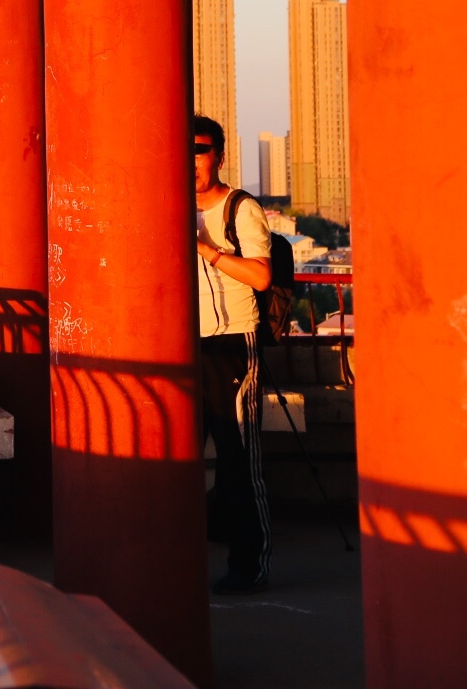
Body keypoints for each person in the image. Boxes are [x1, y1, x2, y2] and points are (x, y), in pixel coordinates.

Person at [193, 114, 274, 594]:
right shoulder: (171, 204)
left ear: (219, 156)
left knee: (240, 460)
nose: (192, 160)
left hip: (232, 343)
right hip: (184, 344)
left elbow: (262, 277)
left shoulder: (239, 209)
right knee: (181, 459)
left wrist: (209, 251)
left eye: (200, 150)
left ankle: (251, 565)